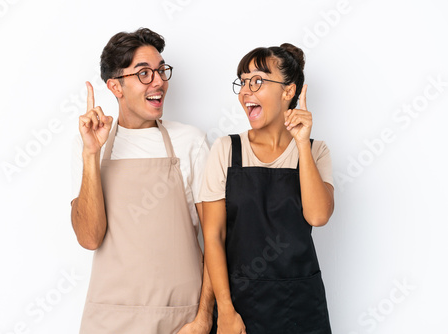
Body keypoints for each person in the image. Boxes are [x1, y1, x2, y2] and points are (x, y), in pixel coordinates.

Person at [70, 28, 214, 334]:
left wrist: (203, 319)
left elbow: (218, 240)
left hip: (181, 319)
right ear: (115, 86)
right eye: (144, 73)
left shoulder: (190, 142)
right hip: (110, 320)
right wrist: (90, 155)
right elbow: (89, 238)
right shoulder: (89, 146)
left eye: (161, 70)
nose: (159, 81)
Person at [201, 43, 334, 333]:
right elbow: (213, 236)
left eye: (258, 81)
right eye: (243, 81)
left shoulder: (315, 150)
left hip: (302, 303)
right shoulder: (226, 150)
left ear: (288, 91)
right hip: (240, 304)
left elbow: (318, 216)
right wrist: (224, 310)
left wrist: (301, 143)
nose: (246, 91)